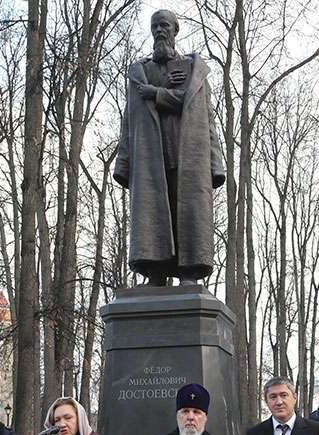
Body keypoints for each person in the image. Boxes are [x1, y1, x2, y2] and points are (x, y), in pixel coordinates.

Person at [112, 8, 225, 286]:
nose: (159, 31)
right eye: (155, 27)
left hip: (188, 154)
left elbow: (205, 116)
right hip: (151, 156)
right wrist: (123, 162)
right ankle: (156, 272)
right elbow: (129, 119)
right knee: (154, 212)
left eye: (164, 26)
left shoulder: (191, 69)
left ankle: (189, 272)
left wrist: (215, 162)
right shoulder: (142, 72)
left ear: (175, 31)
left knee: (186, 212)